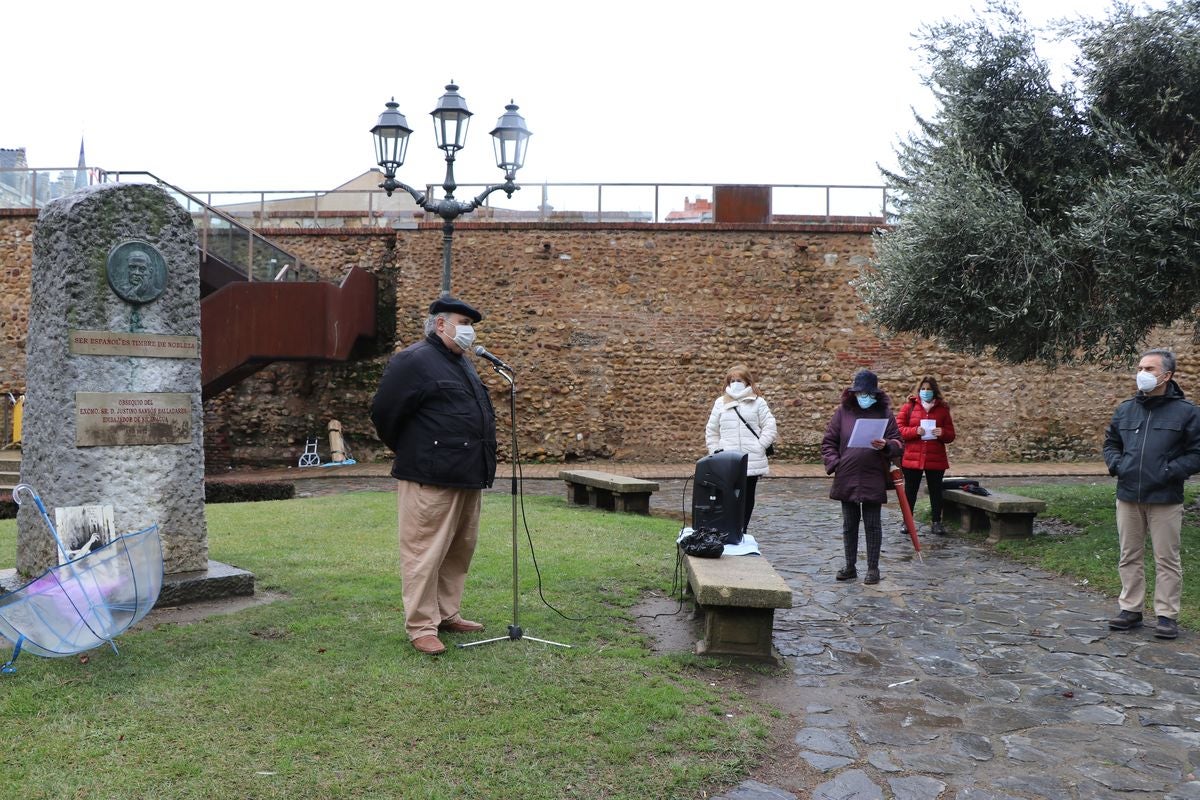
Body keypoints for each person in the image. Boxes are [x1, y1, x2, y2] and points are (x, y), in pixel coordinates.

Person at [370, 296, 498, 655]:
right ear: (441, 324)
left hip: (468, 474)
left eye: (472, 325)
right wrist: (417, 450)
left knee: (459, 550)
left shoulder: (462, 363)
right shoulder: (413, 361)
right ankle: (421, 626)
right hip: (430, 475)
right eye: (463, 322)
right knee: (424, 552)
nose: (469, 331)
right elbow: (384, 414)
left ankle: (446, 613)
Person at [1103, 348, 1200, 640]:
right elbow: (1111, 443)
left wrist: (1169, 472)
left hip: (1165, 499)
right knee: (1128, 555)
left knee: (1166, 558)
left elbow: (1196, 453)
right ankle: (1130, 609)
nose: (1142, 374)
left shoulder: (1188, 413)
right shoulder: (1125, 409)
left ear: (1167, 376)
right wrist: (1118, 465)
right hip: (1128, 495)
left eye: (1150, 369)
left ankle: (1166, 615)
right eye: (1141, 367)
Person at [821, 369, 903, 585]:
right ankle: (850, 566)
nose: (864, 397)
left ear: (875, 394)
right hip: (847, 474)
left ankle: (873, 568)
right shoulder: (843, 413)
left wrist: (887, 445)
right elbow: (829, 442)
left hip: (873, 474)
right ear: (854, 393)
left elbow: (898, 442)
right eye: (860, 393)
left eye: (868, 393)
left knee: (873, 524)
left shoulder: (885, 414)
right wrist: (835, 463)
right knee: (849, 524)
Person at [705, 364, 778, 536]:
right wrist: (715, 451)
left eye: (740, 380)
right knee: (726, 496)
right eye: (733, 380)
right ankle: (727, 528)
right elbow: (712, 430)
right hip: (726, 458)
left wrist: (760, 446)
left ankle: (742, 529)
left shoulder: (758, 403)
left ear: (747, 382)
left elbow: (770, 426)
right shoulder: (720, 403)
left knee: (747, 497)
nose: (736, 383)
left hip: (750, 457)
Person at [896, 376, 956, 536]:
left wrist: (942, 433)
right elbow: (899, 429)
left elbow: (951, 434)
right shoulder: (909, 407)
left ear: (934, 391)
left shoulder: (943, 409)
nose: (926, 392)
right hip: (912, 457)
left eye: (929, 389)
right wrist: (914, 431)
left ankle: (937, 522)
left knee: (936, 491)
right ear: (919, 390)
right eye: (923, 389)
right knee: (910, 491)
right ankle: (907, 522)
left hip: (935, 457)